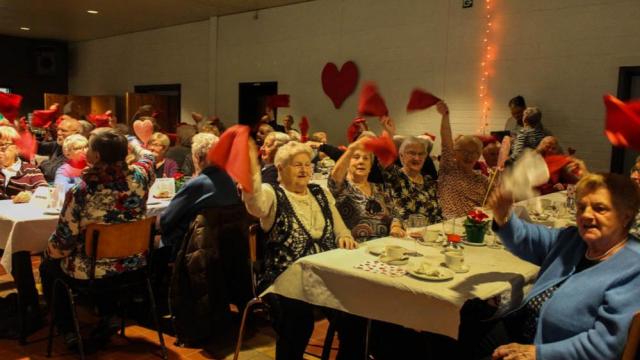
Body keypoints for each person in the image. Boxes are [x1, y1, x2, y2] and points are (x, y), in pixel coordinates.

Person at [460, 172, 640, 359]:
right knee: (453, 329)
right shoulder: (573, 240)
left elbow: (604, 346)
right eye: (581, 207)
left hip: (556, 350)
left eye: (599, 208)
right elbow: (529, 238)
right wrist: (503, 214)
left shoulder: (633, 267)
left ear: (626, 216)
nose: (586, 215)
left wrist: (538, 353)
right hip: (523, 330)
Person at [242, 141, 362, 359]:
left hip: (324, 275)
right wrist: (250, 168)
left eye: (308, 164)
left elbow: (340, 228)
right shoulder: (272, 193)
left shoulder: (320, 192)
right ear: (280, 168)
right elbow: (255, 205)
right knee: (299, 323)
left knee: (355, 318)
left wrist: (344, 236)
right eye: (297, 165)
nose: (305, 170)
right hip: (284, 279)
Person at [40, 129, 156, 348]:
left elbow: (64, 241)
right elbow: (149, 156)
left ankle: (69, 331)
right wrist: (132, 144)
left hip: (93, 271)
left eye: (90, 147)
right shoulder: (141, 177)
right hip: (134, 265)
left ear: (97, 156)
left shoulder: (82, 190)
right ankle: (108, 314)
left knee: (48, 268)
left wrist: (48, 253)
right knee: (104, 260)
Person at [329, 137, 404, 241]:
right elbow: (334, 179)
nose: (361, 161)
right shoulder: (343, 188)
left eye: (366, 158)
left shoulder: (379, 189)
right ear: (348, 163)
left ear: (370, 165)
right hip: (356, 247)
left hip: (385, 243)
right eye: (356, 157)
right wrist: (351, 149)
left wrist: (395, 226)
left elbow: (395, 213)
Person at [436, 101, 489, 219]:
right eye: (464, 152)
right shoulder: (448, 169)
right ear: (455, 153)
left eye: (473, 153)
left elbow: (492, 204)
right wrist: (445, 116)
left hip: (474, 224)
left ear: (479, 155)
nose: (469, 156)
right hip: (449, 223)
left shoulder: (483, 180)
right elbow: (446, 142)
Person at [379, 134, 442, 223]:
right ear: (401, 156)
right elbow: (382, 153)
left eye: (421, 154)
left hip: (431, 233)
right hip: (404, 232)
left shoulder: (429, 180)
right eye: (412, 153)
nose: (417, 158)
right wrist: (389, 132)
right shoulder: (393, 175)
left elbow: (438, 212)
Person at [0, 125, 47, 199]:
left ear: (17, 148)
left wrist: (29, 195)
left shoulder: (31, 170)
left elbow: (44, 190)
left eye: (3, 146)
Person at [38, 117, 82, 182]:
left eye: (63, 130)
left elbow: (52, 173)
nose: (58, 133)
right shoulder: (59, 144)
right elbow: (39, 147)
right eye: (58, 129)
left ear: (76, 133)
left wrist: (42, 164)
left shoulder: (78, 150)